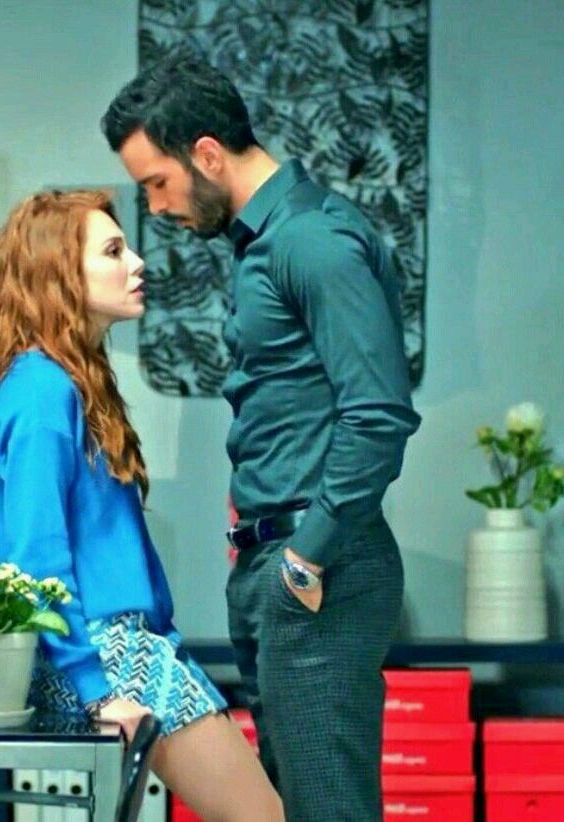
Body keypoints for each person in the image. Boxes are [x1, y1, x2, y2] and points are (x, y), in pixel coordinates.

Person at [102, 55, 422, 821]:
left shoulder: (312, 241)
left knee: (326, 809)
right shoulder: (262, 243)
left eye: (157, 182)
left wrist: (306, 550)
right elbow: (287, 407)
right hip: (277, 562)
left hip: (318, 572)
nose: (158, 206)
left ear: (206, 154)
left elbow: (377, 413)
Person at [0, 189, 284, 822]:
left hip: (121, 647)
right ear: (59, 273)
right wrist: (99, 693)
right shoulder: (45, 390)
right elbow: (35, 559)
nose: (137, 263)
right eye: (112, 250)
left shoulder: (61, 381)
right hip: (106, 653)